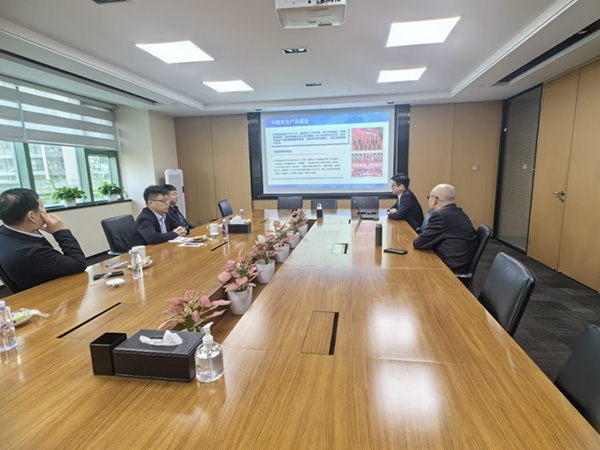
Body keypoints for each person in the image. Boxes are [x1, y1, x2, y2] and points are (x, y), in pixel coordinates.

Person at [0, 188, 87, 292]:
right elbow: (79, 264)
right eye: (42, 207)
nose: (45, 211)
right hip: (50, 294)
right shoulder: (30, 252)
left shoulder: (7, 232)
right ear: (31, 216)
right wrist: (60, 231)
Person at [413, 184, 477, 274]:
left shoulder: (440, 216)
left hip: (448, 269)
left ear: (435, 200)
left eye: (429, 197)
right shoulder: (458, 212)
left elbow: (419, 243)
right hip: (458, 264)